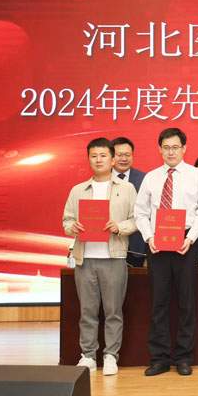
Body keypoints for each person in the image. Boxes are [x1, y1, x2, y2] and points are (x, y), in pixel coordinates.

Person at [134, 128, 198, 377]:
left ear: (184, 148)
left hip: (186, 242)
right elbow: (140, 212)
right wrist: (149, 236)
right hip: (157, 242)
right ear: (160, 149)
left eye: (175, 147)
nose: (171, 152)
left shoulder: (197, 176)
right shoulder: (151, 177)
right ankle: (160, 358)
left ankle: (184, 357)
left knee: (187, 302)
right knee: (159, 302)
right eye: (166, 147)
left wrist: (190, 238)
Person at [62, 137, 137, 376]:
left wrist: (119, 227)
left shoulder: (126, 188)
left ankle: (111, 356)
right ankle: (88, 356)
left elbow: (136, 219)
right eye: (94, 156)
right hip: (85, 258)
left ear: (112, 160)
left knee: (114, 311)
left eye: (103, 155)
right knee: (87, 311)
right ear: (88, 159)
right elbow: (67, 220)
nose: (98, 160)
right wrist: (73, 227)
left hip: (114, 258)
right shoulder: (78, 190)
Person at [111, 137, 146, 267]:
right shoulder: (102, 179)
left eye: (127, 155)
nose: (124, 159)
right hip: (110, 244)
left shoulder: (144, 179)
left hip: (137, 246)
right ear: (112, 156)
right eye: (119, 155)